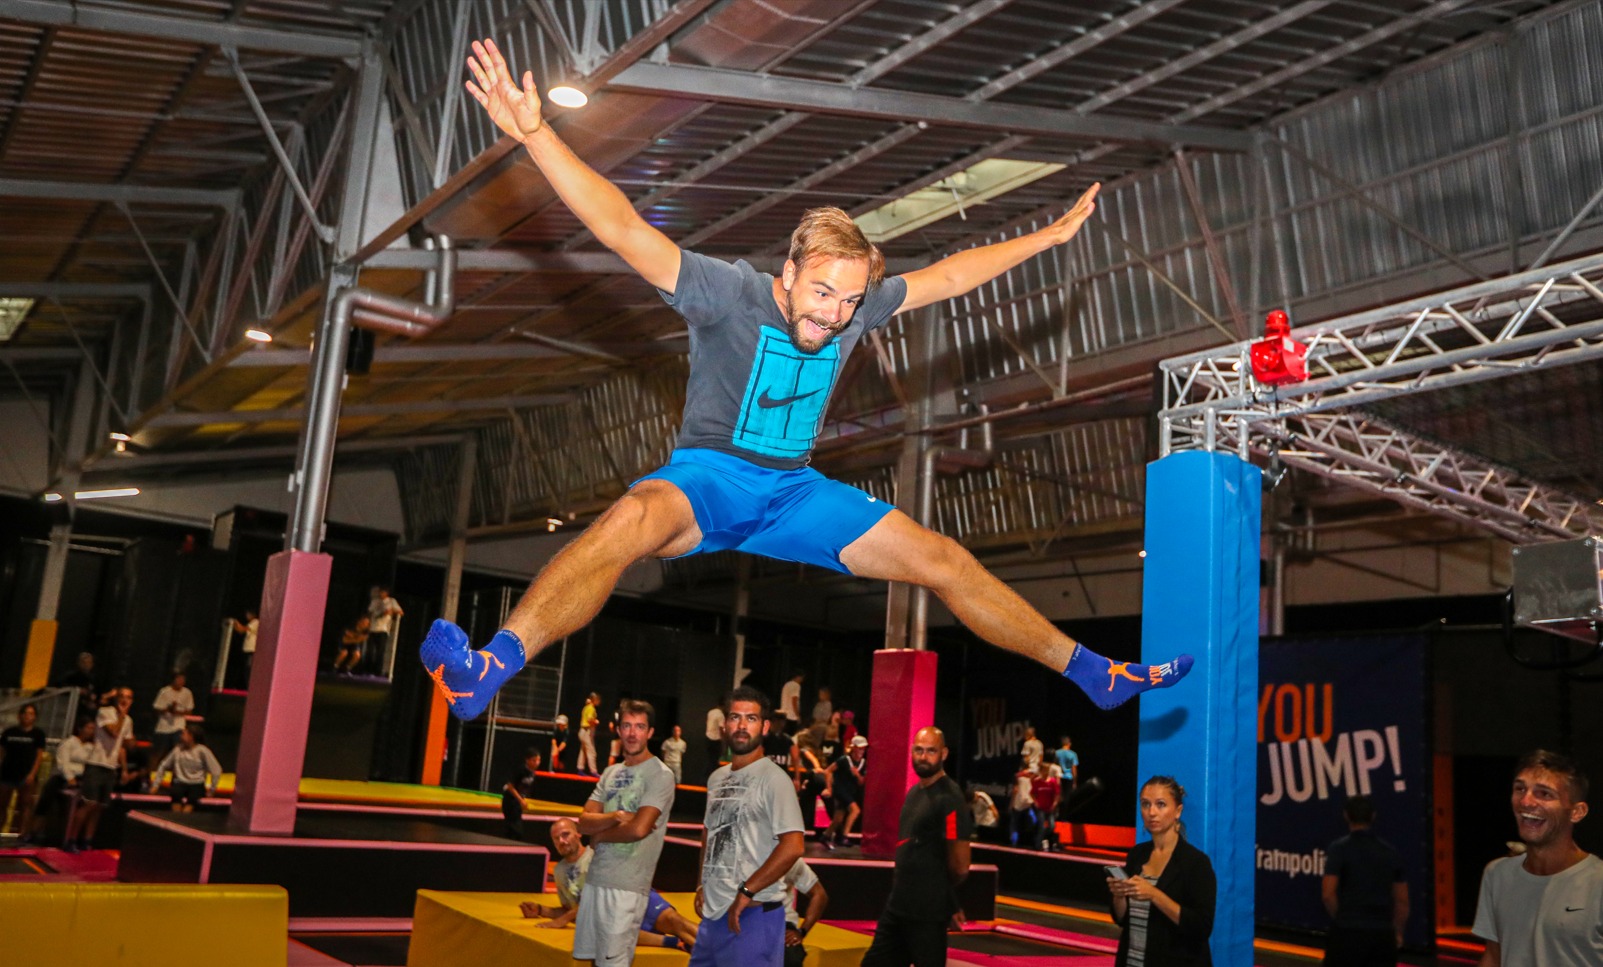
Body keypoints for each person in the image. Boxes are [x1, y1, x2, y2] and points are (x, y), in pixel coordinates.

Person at [420, 38, 1194, 722]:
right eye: (822, 294)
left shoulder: (855, 308)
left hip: (794, 492)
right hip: (711, 479)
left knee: (944, 561)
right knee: (628, 522)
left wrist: (1049, 236)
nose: (833, 315)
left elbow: (951, 276)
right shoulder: (727, 292)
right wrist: (537, 137)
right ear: (788, 273)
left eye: (850, 301)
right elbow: (622, 226)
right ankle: (492, 664)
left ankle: (1095, 673)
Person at [692, 686, 806, 967]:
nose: (742, 726)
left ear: (764, 726)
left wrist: (747, 891)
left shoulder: (774, 779)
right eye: (735, 717)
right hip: (714, 916)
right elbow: (709, 831)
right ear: (724, 724)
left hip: (753, 917)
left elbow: (793, 846)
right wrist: (700, 883)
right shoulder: (716, 778)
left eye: (751, 719)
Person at [1473, 749, 1602, 967]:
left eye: (1544, 794)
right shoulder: (1497, 874)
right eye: (1520, 789)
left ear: (1577, 812)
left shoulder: (1598, 882)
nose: (1526, 801)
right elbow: (1493, 957)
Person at [574, 699, 676, 967]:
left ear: (650, 732)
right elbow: (583, 823)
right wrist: (617, 817)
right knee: (594, 962)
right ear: (618, 730)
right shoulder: (610, 772)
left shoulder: (660, 775)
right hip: (595, 881)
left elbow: (640, 828)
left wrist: (600, 834)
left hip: (627, 887)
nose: (632, 733)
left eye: (640, 727)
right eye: (627, 726)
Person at [861, 727, 974, 967]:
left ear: (944, 754)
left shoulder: (950, 799)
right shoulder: (914, 793)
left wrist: (942, 898)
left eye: (931, 751)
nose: (923, 757)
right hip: (898, 907)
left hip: (927, 914)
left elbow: (960, 865)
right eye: (919, 750)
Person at [521, 818, 699, 951]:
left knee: (675, 923)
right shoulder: (560, 872)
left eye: (565, 834)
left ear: (578, 834)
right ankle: (676, 943)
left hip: (634, 897)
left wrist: (563, 920)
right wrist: (540, 910)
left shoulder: (597, 856)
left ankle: (723, 950)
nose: (562, 841)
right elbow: (573, 910)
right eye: (556, 839)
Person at [1108, 776, 1216, 967]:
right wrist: (1119, 896)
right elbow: (1122, 919)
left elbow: (1201, 927)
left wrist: (1154, 894)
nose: (1152, 812)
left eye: (1161, 804)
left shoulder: (1196, 863)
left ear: (1178, 811)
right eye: (1145, 804)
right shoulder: (1137, 854)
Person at [1322, 794, 1408, 966]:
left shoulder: (1338, 849)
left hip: (1347, 932)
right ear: (1373, 816)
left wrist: (1341, 918)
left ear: (1346, 815)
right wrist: (1397, 931)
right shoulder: (1390, 852)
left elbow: (1328, 894)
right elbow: (1402, 901)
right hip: (1382, 934)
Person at [67, 686, 134, 852]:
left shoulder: (128, 721)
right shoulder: (106, 712)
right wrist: (122, 716)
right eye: (122, 696)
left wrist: (124, 769)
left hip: (111, 767)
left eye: (128, 697)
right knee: (89, 803)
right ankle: (71, 839)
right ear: (117, 699)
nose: (125, 700)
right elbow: (113, 732)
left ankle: (87, 840)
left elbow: (124, 746)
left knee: (100, 806)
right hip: (96, 764)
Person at [29, 718, 95, 846]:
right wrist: (70, 778)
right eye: (89, 727)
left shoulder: (90, 747)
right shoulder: (69, 742)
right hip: (61, 778)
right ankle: (33, 833)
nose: (91, 731)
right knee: (45, 803)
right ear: (80, 728)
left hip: (81, 779)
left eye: (93, 729)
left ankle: (72, 837)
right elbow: (62, 762)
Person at [0, 703, 46, 840]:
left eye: (31, 714)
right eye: (25, 713)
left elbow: (39, 755)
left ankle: (23, 834)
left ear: (35, 717)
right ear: (19, 715)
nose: (27, 716)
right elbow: (2, 752)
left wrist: (32, 774)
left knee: (25, 805)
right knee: (2, 804)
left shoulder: (38, 734)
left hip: (26, 774)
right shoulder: (9, 732)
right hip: (7, 773)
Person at [149, 726, 222, 812]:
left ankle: (184, 818)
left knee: (192, 799)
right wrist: (156, 785)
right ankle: (176, 819)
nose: (181, 736)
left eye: (184, 734)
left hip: (196, 783)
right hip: (180, 782)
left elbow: (216, 770)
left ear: (191, 736)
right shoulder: (177, 749)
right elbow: (163, 765)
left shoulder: (202, 751)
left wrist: (212, 790)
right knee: (176, 795)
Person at [780, 857, 829, 967]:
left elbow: (819, 894)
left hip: (781, 922)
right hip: (744, 919)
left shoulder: (790, 858)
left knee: (791, 958)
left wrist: (802, 931)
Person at [822, 735, 867, 850]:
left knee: (838, 819)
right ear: (854, 748)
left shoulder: (862, 763)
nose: (861, 751)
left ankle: (826, 835)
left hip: (850, 791)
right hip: (840, 790)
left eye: (863, 749)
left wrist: (857, 774)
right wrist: (829, 788)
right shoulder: (844, 760)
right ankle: (843, 837)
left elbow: (862, 782)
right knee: (855, 810)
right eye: (859, 748)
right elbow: (828, 771)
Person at [150, 671, 194, 765]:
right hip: (164, 727)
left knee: (177, 752)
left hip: (178, 726)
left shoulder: (187, 693)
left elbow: (189, 710)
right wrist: (168, 709)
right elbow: (157, 708)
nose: (181, 681)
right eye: (179, 679)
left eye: (183, 679)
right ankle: (150, 773)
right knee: (158, 752)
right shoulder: (165, 691)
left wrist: (177, 712)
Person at [502, 746, 544, 840]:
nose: (537, 763)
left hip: (518, 803)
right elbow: (510, 786)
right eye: (534, 760)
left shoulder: (532, 772)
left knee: (513, 828)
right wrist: (520, 800)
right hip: (510, 801)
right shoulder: (520, 770)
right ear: (527, 760)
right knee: (514, 828)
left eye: (538, 760)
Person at [794, 729, 827, 839]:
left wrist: (816, 767)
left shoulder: (804, 750)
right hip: (816, 777)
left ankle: (798, 828)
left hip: (815, 776)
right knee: (808, 801)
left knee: (803, 801)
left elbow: (811, 758)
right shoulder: (815, 749)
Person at [365, 586, 404, 674]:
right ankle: (367, 670)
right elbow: (369, 612)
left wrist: (391, 612)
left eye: (382, 592)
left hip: (383, 629)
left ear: (386, 593)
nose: (380, 594)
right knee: (370, 650)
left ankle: (377, 671)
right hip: (372, 628)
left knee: (380, 651)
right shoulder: (375, 601)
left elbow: (400, 612)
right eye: (379, 592)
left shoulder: (391, 601)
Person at [1030, 757, 1062, 851]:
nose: (1046, 772)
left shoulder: (1052, 782)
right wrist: (1035, 802)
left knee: (1051, 826)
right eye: (1045, 770)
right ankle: (1037, 844)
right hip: (1041, 807)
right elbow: (1032, 793)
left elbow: (1057, 794)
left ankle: (1044, 840)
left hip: (1049, 807)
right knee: (1041, 826)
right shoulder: (1038, 782)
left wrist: (1054, 804)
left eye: (1047, 770)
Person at [1008, 758, 1036, 847]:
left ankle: (1014, 842)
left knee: (1014, 823)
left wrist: (1011, 803)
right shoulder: (1032, 776)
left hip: (1019, 801)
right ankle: (1030, 841)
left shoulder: (1018, 776)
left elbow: (1015, 790)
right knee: (1032, 821)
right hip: (1028, 801)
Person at [577, 692, 601, 775]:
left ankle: (580, 769)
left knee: (583, 750)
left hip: (582, 731)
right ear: (594, 700)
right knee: (591, 751)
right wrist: (596, 721)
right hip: (587, 731)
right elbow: (590, 719)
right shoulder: (591, 708)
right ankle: (593, 771)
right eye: (597, 699)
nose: (599, 701)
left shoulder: (586, 707)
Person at [231, 610, 259, 679]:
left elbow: (243, 629)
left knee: (249, 668)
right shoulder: (250, 623)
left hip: (251, 650)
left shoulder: (255, 622)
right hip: (247, 650)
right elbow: (240, 631)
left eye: (248, 614)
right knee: (245, 668)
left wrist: (236, 622)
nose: (246, 616)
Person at [704, 704, 726, 780]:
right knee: (715, 761)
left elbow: (707, 722)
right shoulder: (720, 715)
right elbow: (721, 728)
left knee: (710, 760)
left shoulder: (711, 712)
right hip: (716, 740)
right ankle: (713, 778)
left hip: (708, 737)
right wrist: (723, 740)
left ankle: (707, 778)